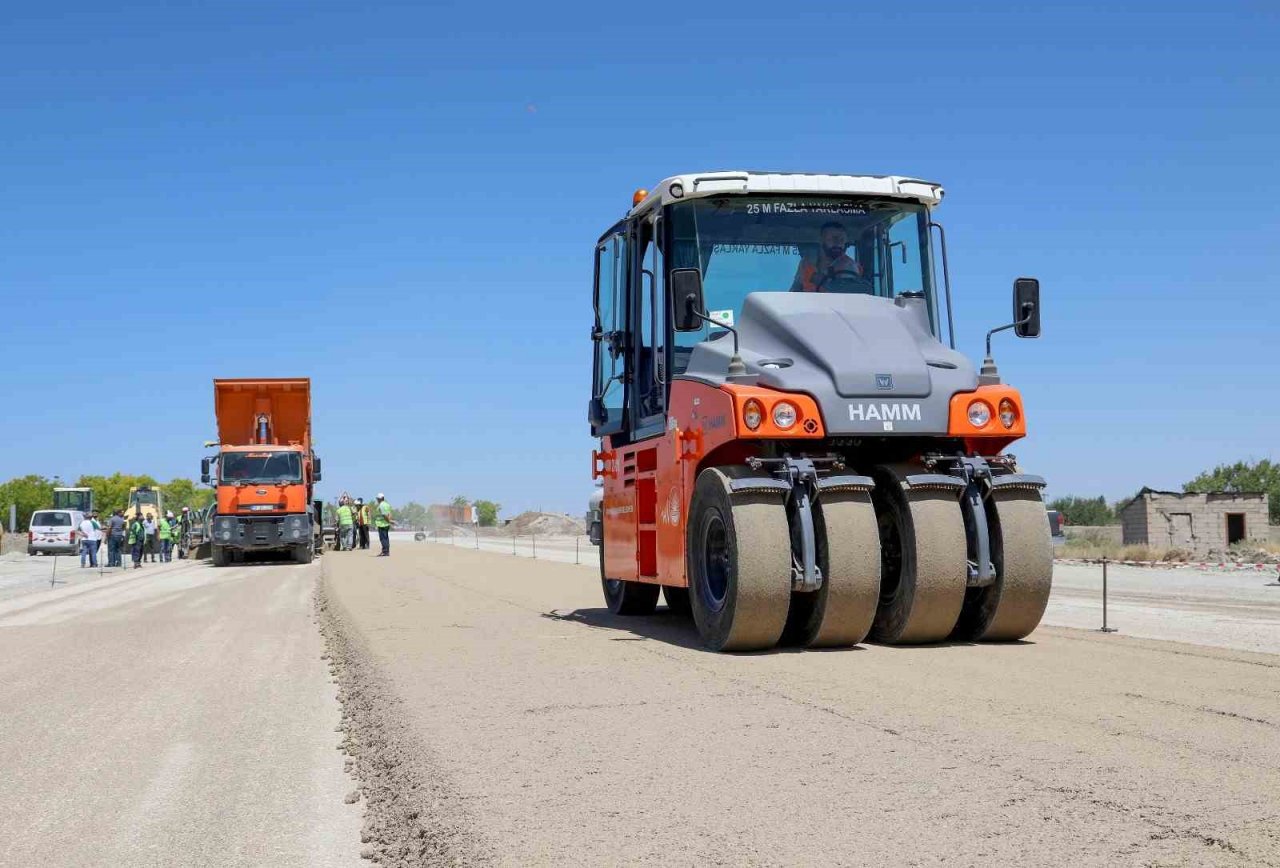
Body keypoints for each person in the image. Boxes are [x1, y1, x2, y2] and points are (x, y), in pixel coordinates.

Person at [791, 221, 864, 293]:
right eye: (833, 238)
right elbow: (794, 293)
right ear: (821, 240)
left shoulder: (853, 267)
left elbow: (855, 297)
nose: (838, 243)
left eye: (842, 240)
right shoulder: (807, 265)